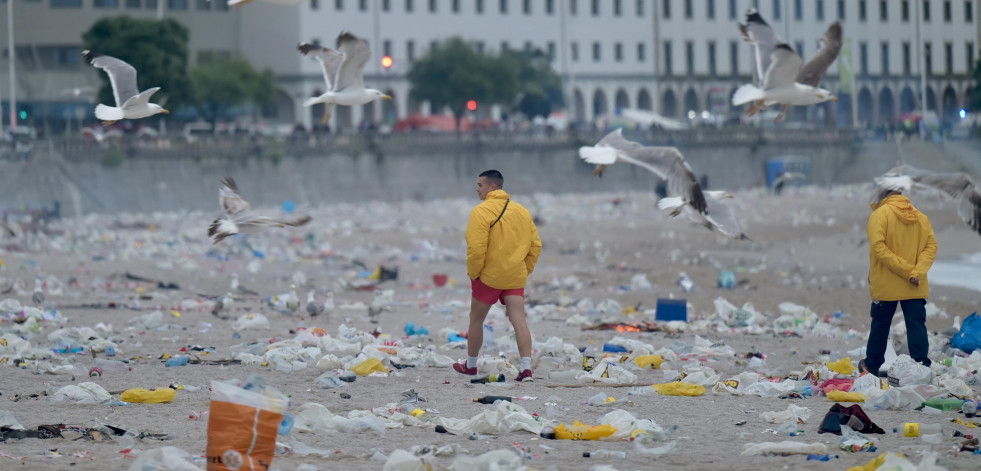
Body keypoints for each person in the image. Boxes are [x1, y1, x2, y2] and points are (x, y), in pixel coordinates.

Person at [454, 170, 542, 382]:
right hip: (514, 276)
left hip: (489, 277)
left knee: (476, 319)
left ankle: (472, 366)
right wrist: (524, 270)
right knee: (519, 321)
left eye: (480, 185)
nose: (477, 188)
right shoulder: (522, 211)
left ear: (492, 187)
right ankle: (526, 369)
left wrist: (475, 274)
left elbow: (476, 248)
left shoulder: (481, 211)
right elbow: (535, 246)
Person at [859, 190, 937, 377]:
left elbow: (878, 247)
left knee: (880, 324)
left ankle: (871, 366)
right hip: (915, 284)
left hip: (886, 283)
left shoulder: (879, 215)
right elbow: (931, 246)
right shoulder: (921, 217)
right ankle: (921, 367)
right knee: (916, 325)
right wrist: (916, 272)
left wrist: (906, 271)